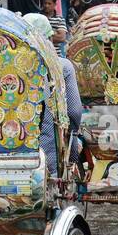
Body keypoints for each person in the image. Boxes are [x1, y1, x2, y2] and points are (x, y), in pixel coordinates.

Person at [23, 13, 82, 175]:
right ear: (49, 37)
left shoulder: (10, 67)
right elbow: (74, 111)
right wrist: (73, 131)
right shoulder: (62, 66)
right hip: (50, 158)